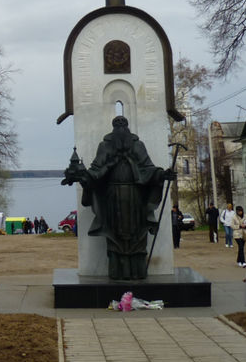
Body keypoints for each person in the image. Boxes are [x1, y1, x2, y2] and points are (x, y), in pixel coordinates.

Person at [61, 116, 175, 280]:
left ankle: (137, 272)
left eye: (123, 125)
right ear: (113, 128)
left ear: (128, 128)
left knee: (137, 234)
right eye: (117, 125)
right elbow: (96, 170)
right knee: (114, 234)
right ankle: (117, 272)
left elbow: (148, 168)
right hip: (112, 198)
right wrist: (83, 177)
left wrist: (162, 174)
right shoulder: (105, 146)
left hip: (135, 197)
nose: (121, 129)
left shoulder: (138, 145)